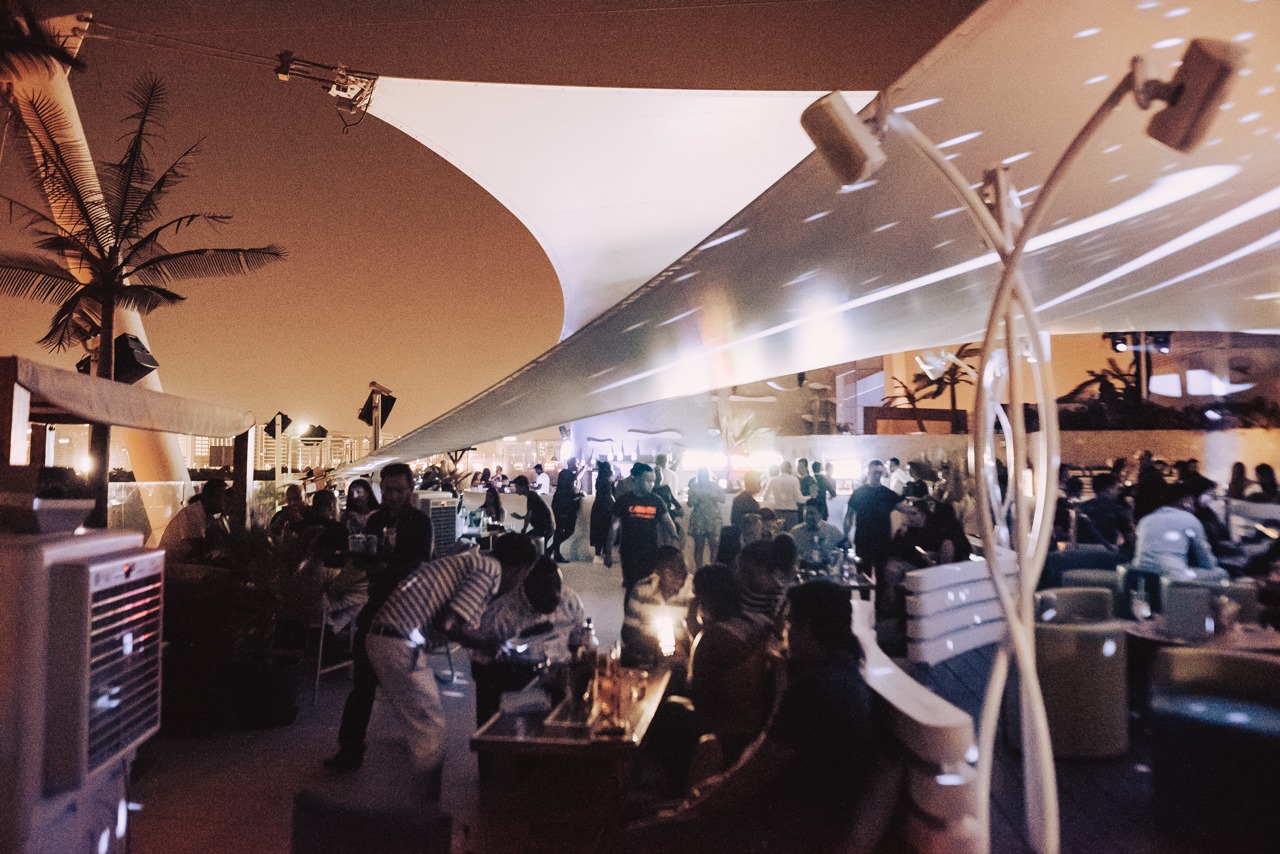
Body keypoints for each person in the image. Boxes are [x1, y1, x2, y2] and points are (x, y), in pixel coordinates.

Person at [627, 580, 886, 853]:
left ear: (807, 628)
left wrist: (689, 812)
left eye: (790, 622)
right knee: (648, 810)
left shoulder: (814, 690)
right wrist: (717, 785)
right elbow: (761, 758)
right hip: (798, 818)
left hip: (780, 831)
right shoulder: (844, 673)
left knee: (634, 836)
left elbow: (751, 779)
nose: (784, 631)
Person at [362, 535, 535, 801]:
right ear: (520, 568)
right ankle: (426, 810)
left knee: (420, 729)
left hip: (386, 638)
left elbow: (451, 624)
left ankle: (418, 803)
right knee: (430, 728)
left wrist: (482, 642)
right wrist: (489, 643)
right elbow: (449, 624)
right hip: (397, 642)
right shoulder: (490, 570)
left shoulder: (475, 563)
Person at [325, 462, 433, 772]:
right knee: (363, 681)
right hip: (376, 607)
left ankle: (423, 744)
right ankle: (350, 749)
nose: (393, 496)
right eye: (387, 490)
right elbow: (368, 556)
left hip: (407, 610)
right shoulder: (375, 520)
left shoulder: (420, 523)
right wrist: (361, 559)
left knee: (409, 684)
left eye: (399, 490)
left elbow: (419, 563)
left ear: (410, 489)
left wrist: (385, 570)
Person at [470, 554, 584, 727]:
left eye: (558, 588)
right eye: (547, 590)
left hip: (560, 679)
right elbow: (480, 668)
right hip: (519, 685)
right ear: (528, 587)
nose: (556, 596)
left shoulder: (569, 601)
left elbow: (580, 640)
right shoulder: (500, 616)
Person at [1133, 480, 1226, 582]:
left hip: (1140, 574)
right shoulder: (1190, 519)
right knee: (1221, 573)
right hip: (1172, 577)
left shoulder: (1146, 519)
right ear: (1184, 501)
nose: (1194, 506)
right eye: (1191, 500)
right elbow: (1206, 561)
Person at [845, 460, 903, 616]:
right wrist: (846, 535)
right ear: (868, 472)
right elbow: (849, 515)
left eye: (879, 472)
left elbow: (903, 508)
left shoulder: (887, 493)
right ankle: (864, 607)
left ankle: (878, 609)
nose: (877, 475)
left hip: (882, 542)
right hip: (863, 540)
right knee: (863, 576)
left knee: (881, 576)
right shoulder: (859, 493)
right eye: (874, 472)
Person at [622, 545, 694, 668]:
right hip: (647, 657)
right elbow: (628, 632)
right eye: (670, 570)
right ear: (658, 572)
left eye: (682, 568)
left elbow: (698, 637)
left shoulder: (692, 592)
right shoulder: (642, 590)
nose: (679, 574)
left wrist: (678, 645)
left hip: (681, 661)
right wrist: (656, 645)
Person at [614, 462, 677, 588]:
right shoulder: (624, 500)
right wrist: (608, 550)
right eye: (647, 480)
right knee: (631, 585)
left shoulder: (656, 501)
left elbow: (668, 522)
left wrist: (674, 538)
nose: (651, 484)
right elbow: (614, 526)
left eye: (653, 481)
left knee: (648, 584)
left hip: (650, 549)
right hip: (629, 550)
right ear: (636, 480)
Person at [159, 477, 227, 563]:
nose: (223, 501)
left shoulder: (206, 515)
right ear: (207, 497)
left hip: (178, 561)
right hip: (171, 563)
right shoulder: (192, 514)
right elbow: (198, 549)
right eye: (219, 497)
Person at [1075, 473, 1134, 554]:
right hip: (1107, 553)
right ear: (1109, 489)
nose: (1119, 492)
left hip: (1081, 552)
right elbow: (1130, 539)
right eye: (1117, 488)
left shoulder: (1082, 507)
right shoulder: (1118, 510)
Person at [686, 467, 725, 568]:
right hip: (699, 519)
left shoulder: (715, 486)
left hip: (713, 519)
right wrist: (696, 498)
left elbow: (723, 499)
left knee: (714, 545)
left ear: (708, 476)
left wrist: (713, 496)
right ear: (698, 476)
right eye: (701, 476)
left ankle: (713, 568)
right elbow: (689, 503)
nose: (703, 478)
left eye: (705, 476)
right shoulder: (694, 487)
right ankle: (699, 569)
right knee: (699, 545)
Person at [790, 499, 845, 571]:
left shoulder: (831, 530)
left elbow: (846, 547)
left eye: (812, 513)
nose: (808, 516)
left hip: (826, 571)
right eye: (806, 513)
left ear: (821, 514)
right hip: (802, 570)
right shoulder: (796, 532)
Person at [511, 474, 554, 552]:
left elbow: (529, 515)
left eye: (517, 487)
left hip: (544, 529)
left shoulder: (531, 496)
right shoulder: (532, 495)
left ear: (523, 486)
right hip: (546, 528)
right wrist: (521, 518)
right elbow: (530, 514)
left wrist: (524, 529)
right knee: (538, 549)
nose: (516, 490)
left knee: (526, 543)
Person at [549, 468, 584, 563]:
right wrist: (579, 495)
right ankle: (553, 550)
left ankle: (553, 550)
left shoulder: (561, 487)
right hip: (564, 510)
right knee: (567, 530)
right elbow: (570, 498)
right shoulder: (567, 488)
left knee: (560, 530)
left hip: (559, 508)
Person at [760, 460, 805, 530]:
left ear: (781, 469)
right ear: (790, 469)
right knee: (792, 533)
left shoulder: (773, 480)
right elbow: (800, 499)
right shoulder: (794, 480)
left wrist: (776, 499)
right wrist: (810, 497)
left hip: (778, 512)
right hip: (792, 513)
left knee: (779, 533)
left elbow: (765, 496)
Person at [590, 460, 617, 567]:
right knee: (606, 530)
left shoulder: (600, 479)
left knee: (598, 530)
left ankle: (598, 554)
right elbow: (610, 495)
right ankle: (604, 553)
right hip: (606, 507)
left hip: (598, 507)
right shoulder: (607, 480)